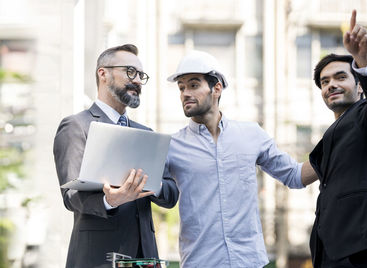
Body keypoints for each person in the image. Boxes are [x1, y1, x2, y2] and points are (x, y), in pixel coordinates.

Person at [165, 50, 317, 267]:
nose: (185, 93)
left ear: (216, 88)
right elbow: (154, 191)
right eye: (181, 88)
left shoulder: (251, 134)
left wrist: (335, 149)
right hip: (200, 262)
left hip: (249, 261)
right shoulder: (171, 146)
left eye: (193, 85)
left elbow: (294, 175)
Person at [53, 44, 178, 268]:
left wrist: (149, 183)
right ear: (103, 73)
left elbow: (171, 193)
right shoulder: (76, 126)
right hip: (98, 258)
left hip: (145, 258)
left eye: (141, 75)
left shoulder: (147, 134)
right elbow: (70, 195)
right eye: (130, 72)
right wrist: (109, 200)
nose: (138, 80)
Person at [308, 10, 367, 268]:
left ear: (359, 86)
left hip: (362, 251)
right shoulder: (333, 134)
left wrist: (363, 60)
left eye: (340, 77)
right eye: (324, 82)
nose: (330, 85)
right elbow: (302, 174)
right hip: (328, 253)